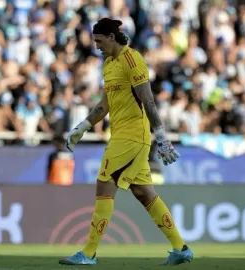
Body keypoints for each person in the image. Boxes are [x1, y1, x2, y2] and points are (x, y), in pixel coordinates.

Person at [59, 18, 193, 266]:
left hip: (132, 137)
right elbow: (104, 105)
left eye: (99, 41)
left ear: (111, 37)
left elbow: (149, 101)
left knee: (104, 186)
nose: (96, 46)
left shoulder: (132, 59)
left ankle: (89, 253)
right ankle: (180, 247)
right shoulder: (108, 64)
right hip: (122, 135)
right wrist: (82, 128)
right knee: (144, 193)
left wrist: (161, 137)